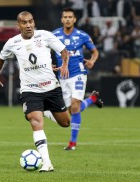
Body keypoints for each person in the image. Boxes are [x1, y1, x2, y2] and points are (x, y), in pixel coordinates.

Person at [0, 11, 71, 172]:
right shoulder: (12, 43)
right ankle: (46, 162)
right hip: (30, 90)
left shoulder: (45, 36)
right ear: (18, 25)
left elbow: (63, 51)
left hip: (51, 88)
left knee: (65, 123)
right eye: (24, 23)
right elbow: (0, 60)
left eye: (31, 22)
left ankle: (46, 112)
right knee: (35, 121)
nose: (28, 25)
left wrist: (64, 65)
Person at [48, 7, 104, 151]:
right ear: (62, 19)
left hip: (78, 73)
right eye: (65, 17)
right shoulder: (54, 35)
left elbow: (95, 51)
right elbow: (46, 51)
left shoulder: (82, 35)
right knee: (71, 111)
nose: (67, 19)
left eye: (70, 17)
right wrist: (49, 63)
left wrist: (92, 60)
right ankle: (91, 99)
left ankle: (72, 143)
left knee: (74, 106)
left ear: (74, 19)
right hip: (63, 76)